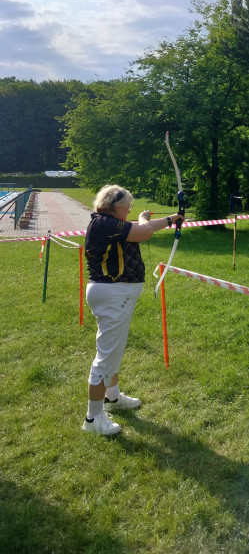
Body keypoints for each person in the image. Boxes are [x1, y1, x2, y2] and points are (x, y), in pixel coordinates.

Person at [82, 185, 184, 436]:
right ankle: (93, 418)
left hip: (116, 295)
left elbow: (143, 228)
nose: (130, 209)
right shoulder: (104, 224)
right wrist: (161, 219)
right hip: (111, 293)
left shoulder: (110, 222)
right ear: (115, 207)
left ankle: (113, 398)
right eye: (127, 205)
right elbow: (143, 231)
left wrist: (169, 219)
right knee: (105, 357)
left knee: (115, 348)